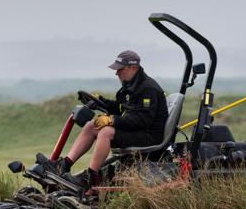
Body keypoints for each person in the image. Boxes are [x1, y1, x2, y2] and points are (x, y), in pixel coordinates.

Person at [44, 50, 168, 188]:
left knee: (106, 132)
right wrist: (100, 101)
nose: (117, 73)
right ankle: (63, 166)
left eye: (120, 69)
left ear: (134, 67)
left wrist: (112, 120)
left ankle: (90, 178)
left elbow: (142, 120)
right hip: (138, 131)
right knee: (93, 125)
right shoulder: (131, 86)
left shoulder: (147, 89)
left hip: (150, 136)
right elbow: (121, 108)